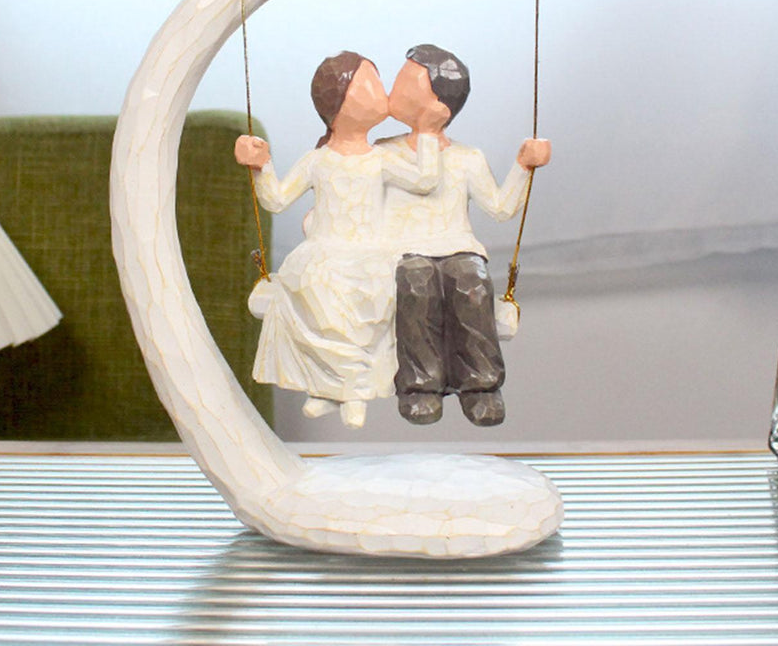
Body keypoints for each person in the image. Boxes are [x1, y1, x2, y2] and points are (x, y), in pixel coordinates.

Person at [234, 51, 447, 429]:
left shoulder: (378, 158)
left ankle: (354, 391)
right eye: (372, 85)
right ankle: (328, 387)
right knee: (316, 296)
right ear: (340, 102)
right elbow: (277, 200)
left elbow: (424, 180)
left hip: (369, 253)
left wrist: (428, 135)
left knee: (367, 300)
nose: (383, 92)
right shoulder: (319, 160)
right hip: (325, 252)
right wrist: (261, 166)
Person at [381, 44, 551, 427]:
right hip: (405, 251)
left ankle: (481, 384)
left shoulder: (466, 158)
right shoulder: (383, 152)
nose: (392, 90)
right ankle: (420, 385)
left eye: (405, 86)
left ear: (439, 108)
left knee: (471, 282)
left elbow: (500, 208)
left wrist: (523, 167)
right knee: (416, 283)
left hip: (457, 246)